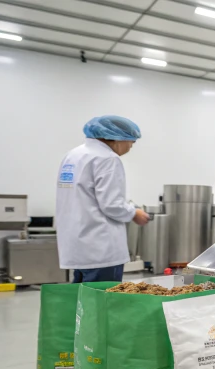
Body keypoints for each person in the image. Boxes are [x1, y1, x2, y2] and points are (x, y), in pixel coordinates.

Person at [55, 115, 150, 282]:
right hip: (100, 248)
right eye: (131, 142)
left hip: (76, 246)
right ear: (117, 139)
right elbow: (112, 205)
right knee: (102, 304)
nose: (130, 147)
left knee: (81, 302)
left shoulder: (73, 155)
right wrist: (134, 213)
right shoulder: (108, 159)